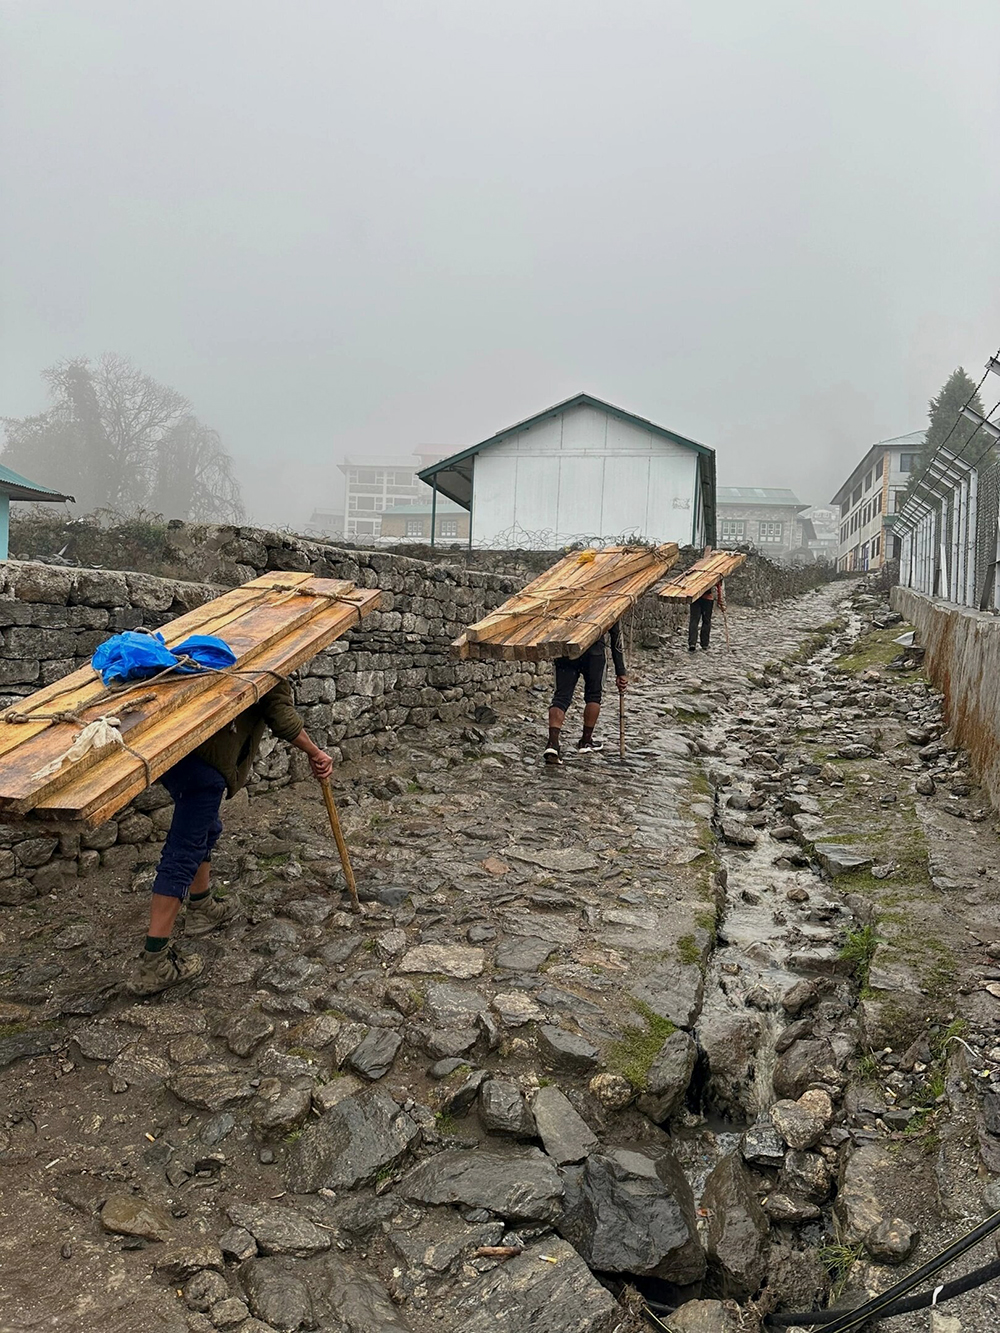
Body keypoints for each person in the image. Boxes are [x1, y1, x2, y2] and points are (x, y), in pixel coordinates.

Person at [129, 678, 333, 997]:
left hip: (176, 754)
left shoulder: (217, 651)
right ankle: (154, 964)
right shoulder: (269, 659)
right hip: (205, 765)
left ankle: (202, 906)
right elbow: (280, 715)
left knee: (207, 829)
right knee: (183, 852)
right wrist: (315, 752)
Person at [543, 621, 628, 765]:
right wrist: (621, 671)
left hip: (566, 652)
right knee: (594, 697)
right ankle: (586, 741)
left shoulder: (563, 599)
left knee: (561, 698)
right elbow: (616, 637)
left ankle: (553, 744)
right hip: (594, 655)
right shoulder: (610, 602)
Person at [688, 578, 725, 652]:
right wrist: (721, 603)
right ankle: (704, 644)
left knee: (694, 620)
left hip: (695, 598)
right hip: (707, 599)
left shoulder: (696, 573)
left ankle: (692, 643)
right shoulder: (716, 575)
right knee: (706, 621)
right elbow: (719, 588)